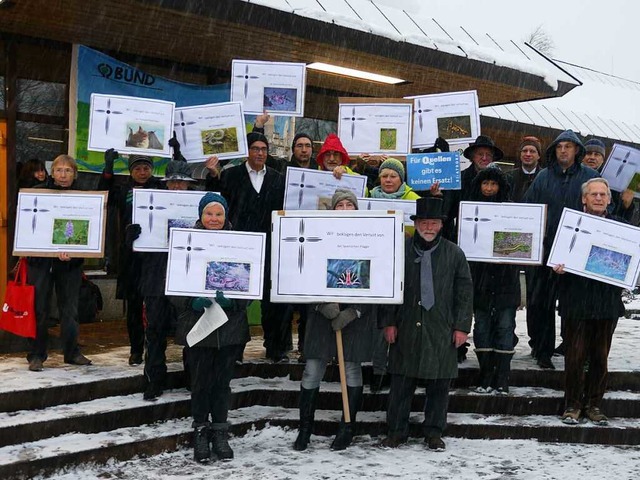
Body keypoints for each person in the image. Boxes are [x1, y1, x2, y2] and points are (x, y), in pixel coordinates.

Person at [380, 197, 473, 451]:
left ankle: (434, 432)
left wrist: (462, 327)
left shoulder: (455, 254)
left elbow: (464, 294)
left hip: (442, 327)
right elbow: (389, 289)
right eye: (424, 222)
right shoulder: (401, 251)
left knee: (440, 384)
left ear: (441, 225)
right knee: (401, 382)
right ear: (417, 224)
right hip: (405, 325)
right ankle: (397, 431)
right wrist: (388, 322)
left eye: (433, 223)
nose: (429, 227)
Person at [293, 189, 375, 452]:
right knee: (313, 369)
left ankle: (347, 427)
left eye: (350, 205)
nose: (345, 209)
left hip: (353, 318)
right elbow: (301, 274)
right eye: (340, 205)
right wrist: (319, 303)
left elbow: (379, 278)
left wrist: (354, 311)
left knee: (351, 368)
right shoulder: (317, 237)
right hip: (320, 317)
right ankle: (305, 428)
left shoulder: (370, 238)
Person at [173, 192, 250, 463]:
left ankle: (220, 431)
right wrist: (189, 300)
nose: (214, 219)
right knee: (200, 383)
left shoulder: (241, 243)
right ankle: (200, 431)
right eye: (209, 214)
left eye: (218, 214)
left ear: (226, 215)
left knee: (222, 384)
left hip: (229, 328)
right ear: (200, 215)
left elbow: (251, 283)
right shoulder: (184, 242)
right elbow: (172, 282)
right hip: (198, 326)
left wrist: (235, 300)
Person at [204, 132, 288, 362]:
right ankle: (235, 348)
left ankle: (275, 348)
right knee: (237, 300)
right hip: (239, 247)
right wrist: (213, 175)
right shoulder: (231, 175)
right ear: (247, 152)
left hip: (270, 247)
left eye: (263, 149)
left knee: (271, 302)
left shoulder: (278, 178)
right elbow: (215, 201)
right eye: (255, 148)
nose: (260, 153)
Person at [126, 137, 198, 400]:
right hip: (156, 278)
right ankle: (154, 379)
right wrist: (132, 236)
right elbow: (133, 248)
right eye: (173, 181)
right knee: (154, 331)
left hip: (188, 279)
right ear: (166, 183)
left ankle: (193, 377)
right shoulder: (148, 205)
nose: (177, 186)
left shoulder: (201, 208)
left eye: (182, 182)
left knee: (191, 332)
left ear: (190, 185)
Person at [523, 130, 599, 369]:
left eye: (568, 146)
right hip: (546, 250)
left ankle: (576, 349)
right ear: (554, 151)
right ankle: (542, 350)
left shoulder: (590, 177)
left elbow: (603, 208)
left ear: (577, 150)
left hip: (578, 251)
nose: (563, 151)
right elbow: (528, 209)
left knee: (575, 304)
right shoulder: (543, 177)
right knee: (541, 304)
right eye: (559, 147)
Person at [552, 178, 625, 425]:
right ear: (584, 198)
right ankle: (572, 404)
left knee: (599, 358)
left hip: (606, 304)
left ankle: (594, 405)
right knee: (574, 357)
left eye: (602, 194)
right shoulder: (569, 225)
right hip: (577, 302)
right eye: (593, 194)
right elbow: (555, 259)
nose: (598, 198)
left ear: (609, 199)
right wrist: (558, 268)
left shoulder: (621, 229)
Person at [25, 155, 92, 371]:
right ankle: (36, 355)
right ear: (52, 172)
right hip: (40, 262)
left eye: (68, 170)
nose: (63, 175)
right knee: (39, 309)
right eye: (59, 170)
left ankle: (72, 352)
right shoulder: (37, 193)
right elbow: (29, 226)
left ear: (75, 174)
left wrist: (74, 250)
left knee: (70, 310)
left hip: (69, 264)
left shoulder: (84, 197)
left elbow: (87, 231)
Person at [99, 149, 164, 366]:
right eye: (137, 168)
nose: (142, 172)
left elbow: (179, 193)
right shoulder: (124, 189)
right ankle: (136, 349)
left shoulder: (159, 187)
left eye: (146, 168)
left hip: (154, 256)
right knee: (134, 307)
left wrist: (178, 154)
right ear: (131, 171)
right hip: (131, 255)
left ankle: (156, 348)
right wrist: (108, 167)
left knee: (156, 306)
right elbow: (103, 194)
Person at [467, 165, 520, 395]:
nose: (489, 188)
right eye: (485, 183)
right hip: (479, 281)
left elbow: (521, 245)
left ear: (501, 187)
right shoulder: (469, 211)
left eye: (493, 184)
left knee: (505, 326)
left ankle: (502, 376)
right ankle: (485, 373)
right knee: (481, 327)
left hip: (506, 280)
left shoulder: (513, 213)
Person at [441, 135, 504, 241]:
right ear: (472, 157)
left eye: (488, 154)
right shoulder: (459, 179)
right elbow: (448, 212)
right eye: (480, 154)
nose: (484, 158)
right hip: (463, 236)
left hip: (491, 237)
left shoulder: (502, 181)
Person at [582, 138, 635, 222]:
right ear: (582, 157)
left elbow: (622, 217)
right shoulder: (574, 176)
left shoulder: (614, 181)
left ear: (603, 159)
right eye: (588, 153)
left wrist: (627, 205)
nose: (592, 157)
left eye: (597, 154)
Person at [505, 136, 543, 202]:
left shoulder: (545, 177)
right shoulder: (508, 177)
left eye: (532, 151)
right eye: (525, 151)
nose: (528, 154)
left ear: (538, 156)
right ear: (520, 154)